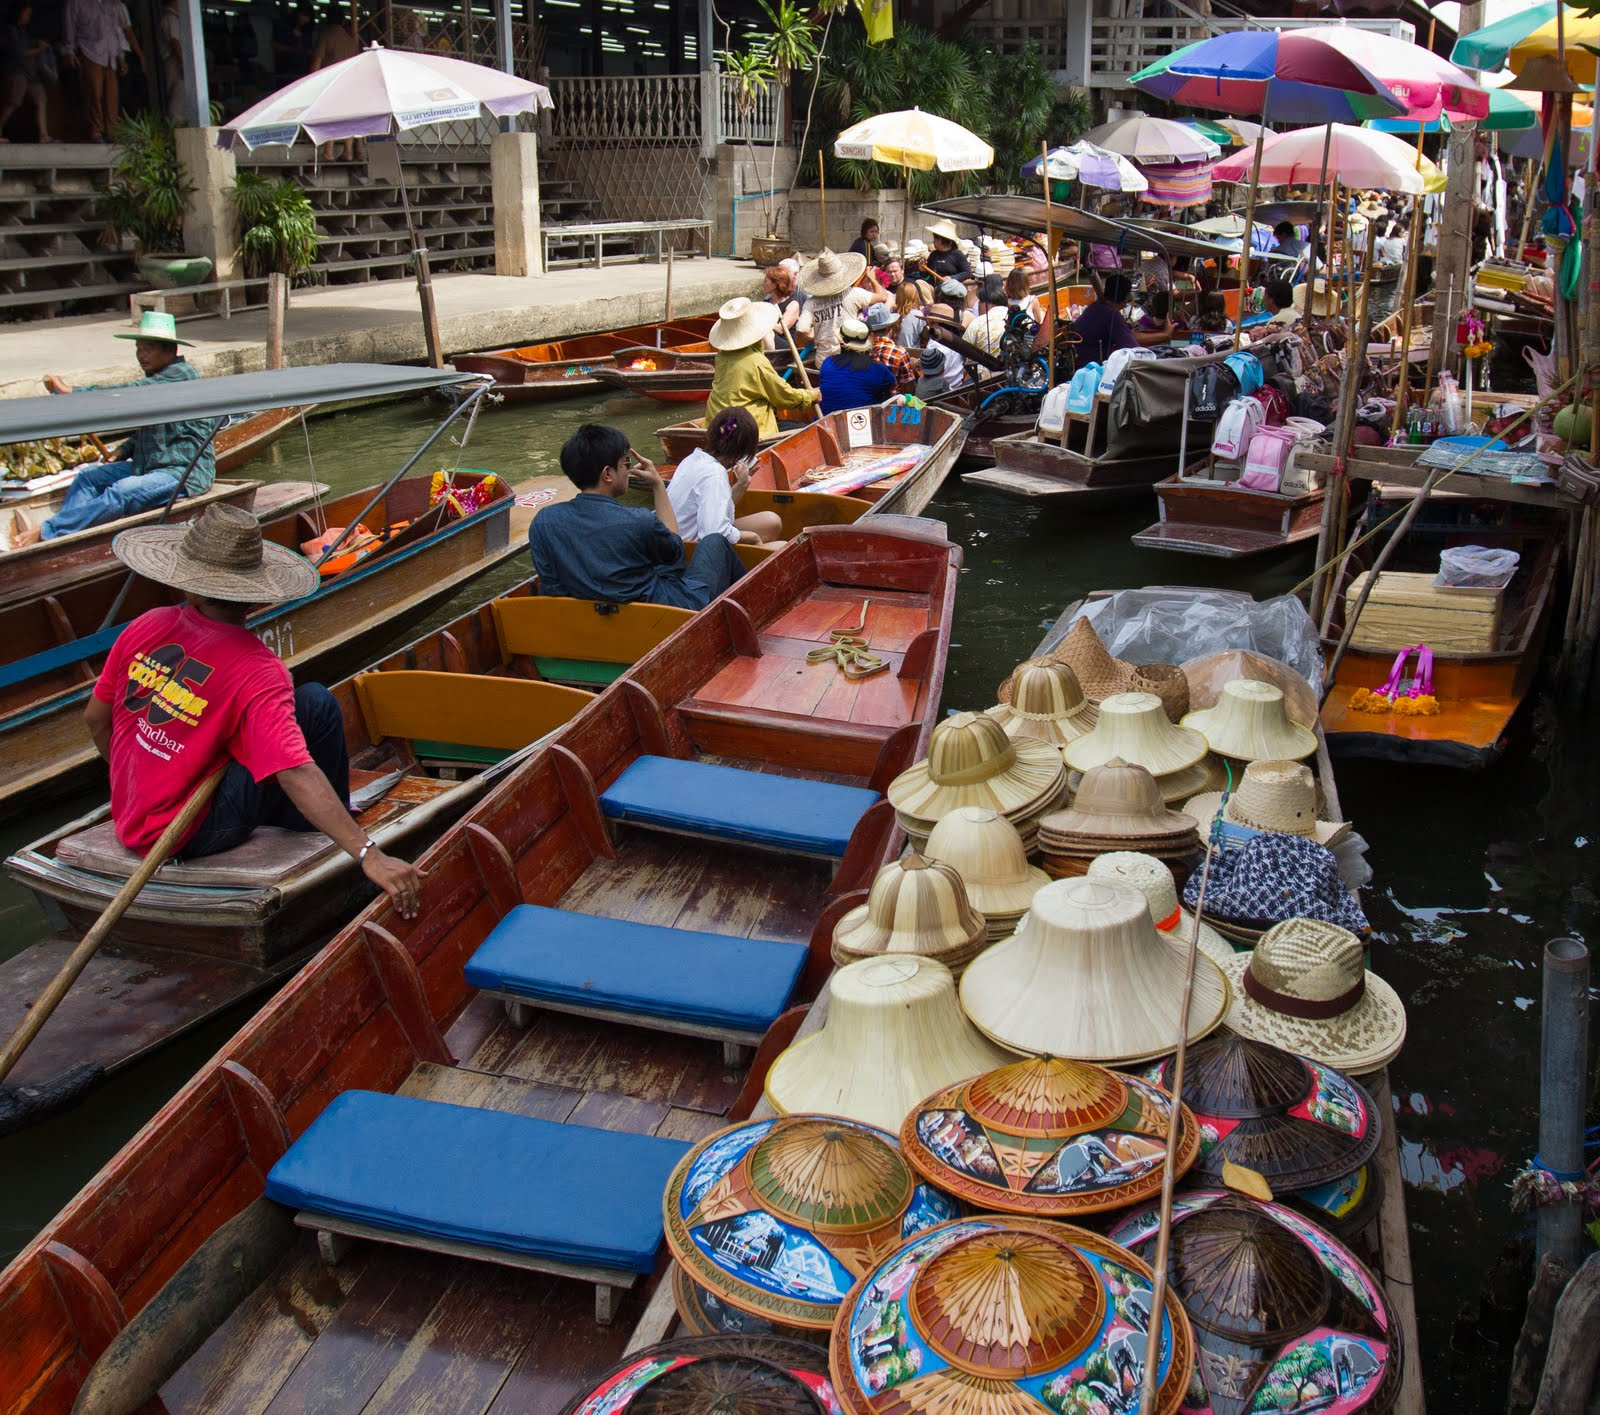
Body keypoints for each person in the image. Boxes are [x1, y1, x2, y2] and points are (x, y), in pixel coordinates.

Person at [86, 504, 422, 916]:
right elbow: (294, 771)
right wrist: (368, 853)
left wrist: (138, 779)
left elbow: (96, 720)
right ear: (252, 595)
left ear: (188, 583)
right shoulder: (257, 669)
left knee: (299, 706)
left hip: (130, 812)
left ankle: (300, 812)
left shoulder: (147, 623)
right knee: (315, 703)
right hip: (193, 834)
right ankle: (308, 826)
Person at [12, 312, 216, 548]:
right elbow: (153, 429)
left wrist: (73, 393)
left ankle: (50, 532)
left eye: (148, 348)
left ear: (170, 351)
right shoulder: (158, 379)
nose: (141, 355)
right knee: (88, 477)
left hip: (182, 473)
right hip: (149, 465)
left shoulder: (182, 375)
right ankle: (65, 536)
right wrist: (123, 449)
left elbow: (128, 392)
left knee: (122, 491)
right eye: (139, 348)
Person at [528, 423, 744, 610]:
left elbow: (552, 587)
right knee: (715, 542)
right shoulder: (638, 520)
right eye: (626, 464)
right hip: (663, 614)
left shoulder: (544, 521)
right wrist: (658, 485)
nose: (628, 471)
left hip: (588, 623)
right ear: (608, 474)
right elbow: (676, 555)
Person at [704, 296, 819, 439]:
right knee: (806, 431)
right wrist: (811, 395)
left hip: (719, 425)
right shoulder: (755, 361)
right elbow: (782, 396)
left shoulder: (721, 357)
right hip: (745, 430)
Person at [668, 407, 783, 547]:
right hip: (693, 550)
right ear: (744, 450)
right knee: (782, 546)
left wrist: (741, 484)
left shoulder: (693, 459)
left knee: (771, 521)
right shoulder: (715, 474)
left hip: (689, 538)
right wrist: (752, 538)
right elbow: (713, 534)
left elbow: (717, 513)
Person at [64, 0, 142, 142]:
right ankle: (96, 131)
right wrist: (70, 51)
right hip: (89, 51)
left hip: (110, 54)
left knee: (111, 95)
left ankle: (112, 132)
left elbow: (117, 30)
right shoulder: (76, 3)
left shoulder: (113, 4)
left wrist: (121, 56)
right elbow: (70, 27)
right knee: (94, 92)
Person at [796, 248, 882, 359]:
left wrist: (808, 340)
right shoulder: (853, 294)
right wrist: (872, 279)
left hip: (824, 360)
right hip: (850, 358)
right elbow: (882, 296)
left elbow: (802, 329)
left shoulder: (810, 303)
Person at [818, 319, 894, 415]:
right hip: (861, 424)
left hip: (826, 422)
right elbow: (892, 385)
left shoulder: (827, 362)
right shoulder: (877, 368)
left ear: (841, 342)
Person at [0, 3, 50, 142]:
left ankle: (43, 135)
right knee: (13, 102)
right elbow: (19, 52)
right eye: (26, 14)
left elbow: (29, 43)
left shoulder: (23, 32)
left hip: (30, 73)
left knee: (40, 99)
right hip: (16, 72)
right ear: (19, 13)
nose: (28, 17)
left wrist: (38, 42)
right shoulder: (10, 31)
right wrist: (40, 50)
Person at [311, 17, 358, 158]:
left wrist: (312, 83)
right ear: (343, 22)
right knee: (348, 117)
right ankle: (348, 152)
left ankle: (328, 152)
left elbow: (317, 61)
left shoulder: (326, 36)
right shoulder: (351, 41)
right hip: (349, 83)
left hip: (330, 83)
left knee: (329, 116)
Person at [1070, 271, 1136, 364]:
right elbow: (1132, 348)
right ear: (1125, 296)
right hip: (1092, 364)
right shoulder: (1112, 315)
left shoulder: (1096, 306)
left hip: (1079, 357)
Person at [865, 303, 917, 394]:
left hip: (870, 398)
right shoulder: (900, 353)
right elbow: (908, 387)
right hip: (894, 402)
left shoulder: (863, 352)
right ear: (889, 328)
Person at [760, 262, 804, 342]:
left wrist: (759, 324)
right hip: (767, 338)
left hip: (786, 345)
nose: (763, 284)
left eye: (766, 281)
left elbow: (781, 329)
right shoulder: (764, 303)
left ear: (775, 285)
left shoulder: (793, 305)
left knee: (766, 334)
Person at [159, 0, 184, 122]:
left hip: (177, 59)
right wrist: (183, 62)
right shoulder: (170, 17)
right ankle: (175, 124)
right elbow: (174, 42)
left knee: (180, 92)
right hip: (174, 60)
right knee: (176, 93)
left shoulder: (176, 17)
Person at [271, 6, 313, 77]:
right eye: (305, 15)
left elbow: (308, 49)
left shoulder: (305, 31)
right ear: (298, 14)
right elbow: (275, 45)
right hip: (285, 68)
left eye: (308, 17)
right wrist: (293, 49)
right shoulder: (283, 27)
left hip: (300, 69)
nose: (306, 20)